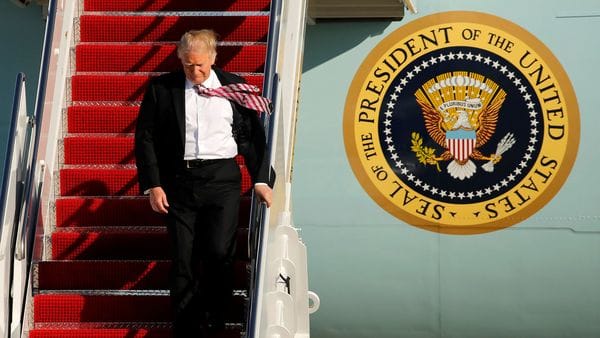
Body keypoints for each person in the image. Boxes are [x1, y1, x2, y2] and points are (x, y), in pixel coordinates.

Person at [134, 29, 275, 337]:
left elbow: (253, 139)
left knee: (218, 253)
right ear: (179, 59)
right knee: (183, 256)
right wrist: (152, 184)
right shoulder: (162, 88)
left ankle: (216, 322)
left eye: (200, 65)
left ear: (213, 57)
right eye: (187, 65)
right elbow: (145, 138)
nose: (194, 71)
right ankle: (184, 326)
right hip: (179, 182)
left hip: (222, 180)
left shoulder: (234, 88)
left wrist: (261, 180)